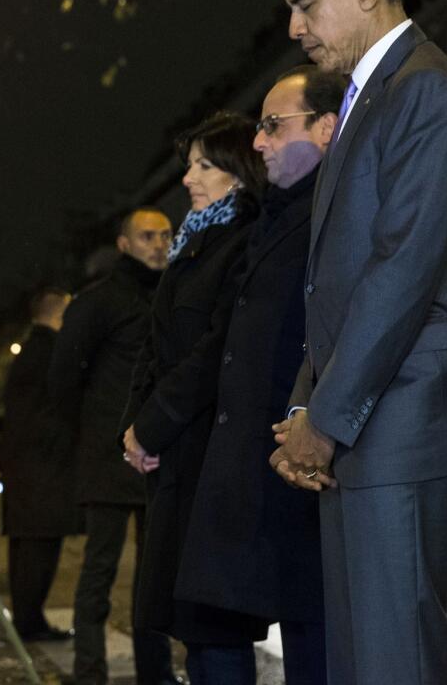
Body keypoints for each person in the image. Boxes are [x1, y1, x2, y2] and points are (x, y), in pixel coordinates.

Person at [269, 0, 447, 685]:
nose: (295, 26)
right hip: (373, 419)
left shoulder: (427, 91)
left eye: (307, 5)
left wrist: (326, 418)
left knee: (394, 659)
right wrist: (312, 409)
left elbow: (401, 272)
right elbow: (339, 281)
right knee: (365, 658)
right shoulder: (380, 94)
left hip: (403, 417)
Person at [172, 66, 345, 685]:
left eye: (274, 126)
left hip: (297, 454)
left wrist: (308, 423)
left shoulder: (335, 210)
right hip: (254, 456)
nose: (259, 141)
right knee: (217, 621)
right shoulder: (275, 214)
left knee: (313, 637)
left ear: (326, 128)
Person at [120, 111, 267, 684]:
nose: (188, 177)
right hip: (178, 461)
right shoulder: (194, 244)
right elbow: (155, 348)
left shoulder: (244, 243)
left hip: (213, 461)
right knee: (192, 631)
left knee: (216, 626)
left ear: (239, 169)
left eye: (204, 164)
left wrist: (152, 425)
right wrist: (134, 427)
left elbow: (214, 352)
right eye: (188, 164)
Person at [48, 207, 176, 685]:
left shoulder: (170, 289)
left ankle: (155, 673)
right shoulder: (99, 300)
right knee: (98, 572)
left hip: (157, 449)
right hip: (107, 457)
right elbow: (62, 378)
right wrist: (96, 432)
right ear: (124, 244)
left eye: (165, 235)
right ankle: (89, 672)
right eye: (147, 236)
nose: (159, 244)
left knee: (153, 575)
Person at [0, 285, 82, 642]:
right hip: (45, 469)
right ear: (59, 315)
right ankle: (30, 623)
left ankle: (26, 620)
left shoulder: (29, 351)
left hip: (25, 466)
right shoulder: (51, 351)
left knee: (25, 547)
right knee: (40, 549)